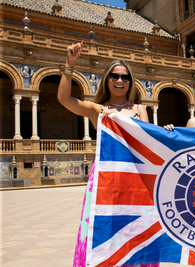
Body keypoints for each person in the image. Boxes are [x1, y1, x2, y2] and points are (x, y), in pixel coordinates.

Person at [57, 41, 150, 267]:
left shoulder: (140, 110)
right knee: (102, 230)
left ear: (130, 82)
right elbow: (64, 99)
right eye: (114, 76)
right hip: (105, 180)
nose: (120, 81)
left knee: (134, 232)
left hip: (134, 178)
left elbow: (147, 144)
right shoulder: (96, 110)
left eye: (125, 77)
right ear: (107, 80)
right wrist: (69, 64)